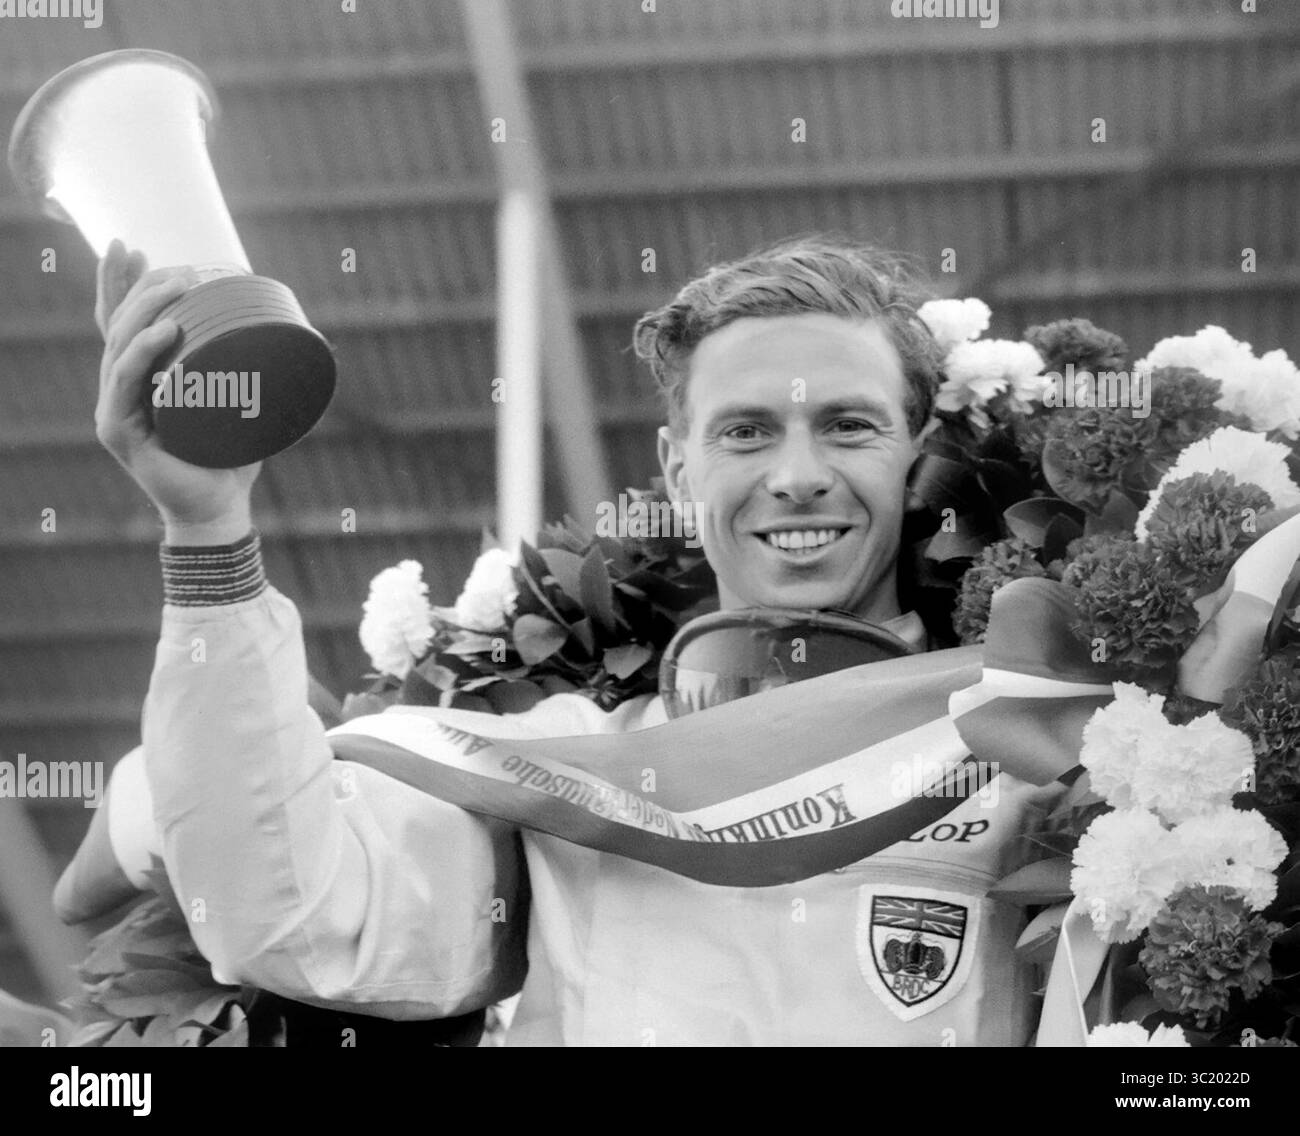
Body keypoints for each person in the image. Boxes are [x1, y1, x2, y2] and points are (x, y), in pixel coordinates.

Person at [87, 235, 1061, 1045]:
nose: (797, 474)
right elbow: (286, 912)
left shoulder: (1031, 741)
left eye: (848, 425)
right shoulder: (556, 768)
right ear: (677, 468)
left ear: (914, 454)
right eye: (746, 432)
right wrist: (209, 531)